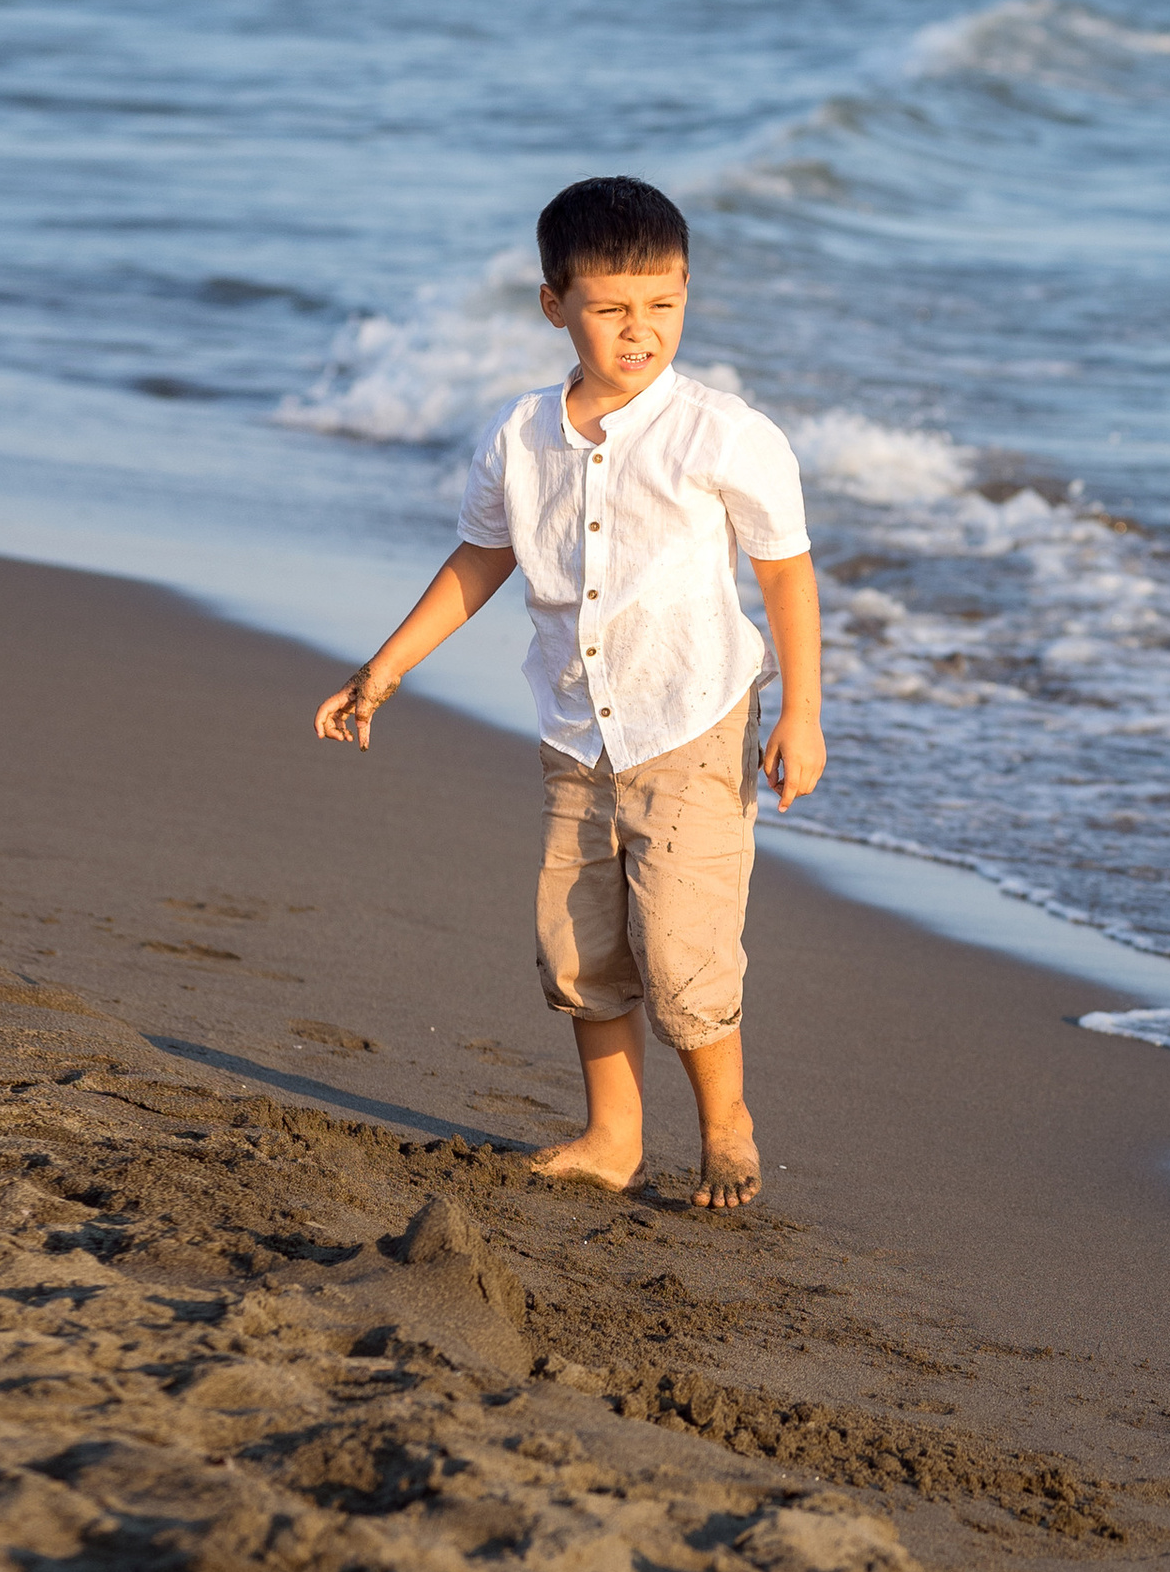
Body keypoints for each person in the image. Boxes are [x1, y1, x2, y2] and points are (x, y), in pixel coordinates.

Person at [314, 175, 823, 1206]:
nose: (640, 332)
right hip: (578, 732)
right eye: (611, 308)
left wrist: (804, 715)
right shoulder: (522, 434)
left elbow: (784, 574)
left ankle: (726, 1124)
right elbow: (480, 559)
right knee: (577, 947)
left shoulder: (724, 433)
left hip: (695, 722)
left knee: (683, 955)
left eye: (664, 306)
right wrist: (386, 666)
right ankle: (613, 1135)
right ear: (555, 305)